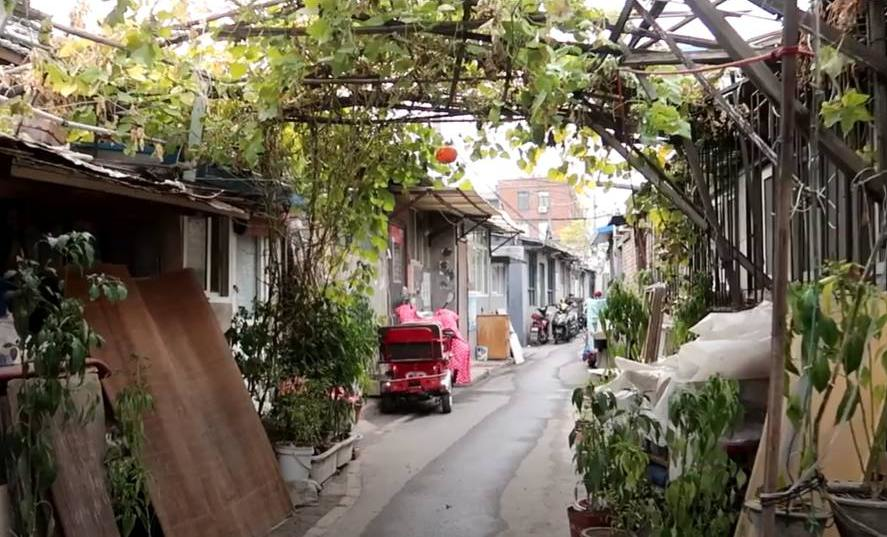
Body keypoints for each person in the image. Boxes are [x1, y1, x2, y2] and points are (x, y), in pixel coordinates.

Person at [433, 307, 471, 385]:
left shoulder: (437, 319)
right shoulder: (451, 319)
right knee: (458, 361)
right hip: (462, 345)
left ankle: (457, 378)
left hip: (453, 344)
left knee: (452, 360)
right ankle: (463, 378)